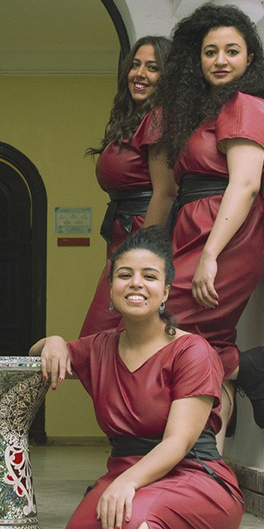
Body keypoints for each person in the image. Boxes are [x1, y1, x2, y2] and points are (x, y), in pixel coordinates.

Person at [30, 227, 243, 529]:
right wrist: (53, 341)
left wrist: (127, 483)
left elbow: (178, 442)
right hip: (126, 476)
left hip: (195, 477)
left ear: (166, 292)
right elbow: (38, 353)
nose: (136, 284)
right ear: (111, 289)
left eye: (149, 276)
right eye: (125, 275)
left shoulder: (192, 351)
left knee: (135, 519)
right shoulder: (98, 348)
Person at [150, 3, 264, 440]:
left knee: (159, 323)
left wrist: (210, 254)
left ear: (250, 58)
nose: (220, 60)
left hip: (225, 239)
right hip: (194, 230)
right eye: (210, 52)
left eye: (232, 51)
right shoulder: (212, 111)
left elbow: (245, 185)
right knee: (199, 340)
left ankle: (241, 370)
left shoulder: (247, 106)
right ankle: (212, 446)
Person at [80, 36, 176, 337]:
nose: (140, 74)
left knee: (98, 337)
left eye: (152, 68)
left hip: (141, 235)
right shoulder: (135, 119)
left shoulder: (159, 117)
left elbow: (165, 192)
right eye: (135, 65)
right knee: (111, 338)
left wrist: (143, 254)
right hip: (124, 235)